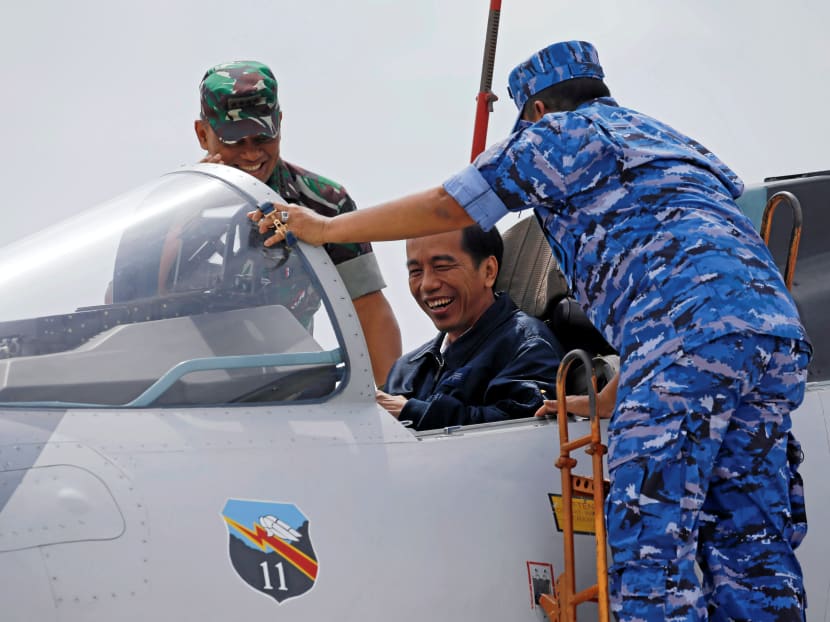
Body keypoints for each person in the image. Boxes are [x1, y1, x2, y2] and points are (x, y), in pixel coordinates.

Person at [254, 41, 812, 620]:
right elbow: (705, 293)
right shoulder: (669, 140)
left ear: (537, 112)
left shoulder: (558, 135)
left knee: (652, 546)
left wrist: (325, 226)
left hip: (684, 339)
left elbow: (452, 206)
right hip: (771, 340)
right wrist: (610, 397)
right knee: (751, 538)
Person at [194, 60, 401, 387]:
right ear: (203, 135)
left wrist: (395, 404)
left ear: (279, 123)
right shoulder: (170, 213)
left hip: (291, 391)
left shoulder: (324, 204)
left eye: (262, 137)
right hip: (185, 391)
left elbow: (369, 310)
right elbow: (126, 307)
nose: (251, 155)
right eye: (235, 141)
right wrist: (193, 217)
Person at [376, 225, 564, 431]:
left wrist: (412, 412)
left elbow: (527, 431)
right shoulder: (406, 369)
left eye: (442, 267)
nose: (427, 285)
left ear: (488, 271)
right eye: (416, 272)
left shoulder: (528, 347)